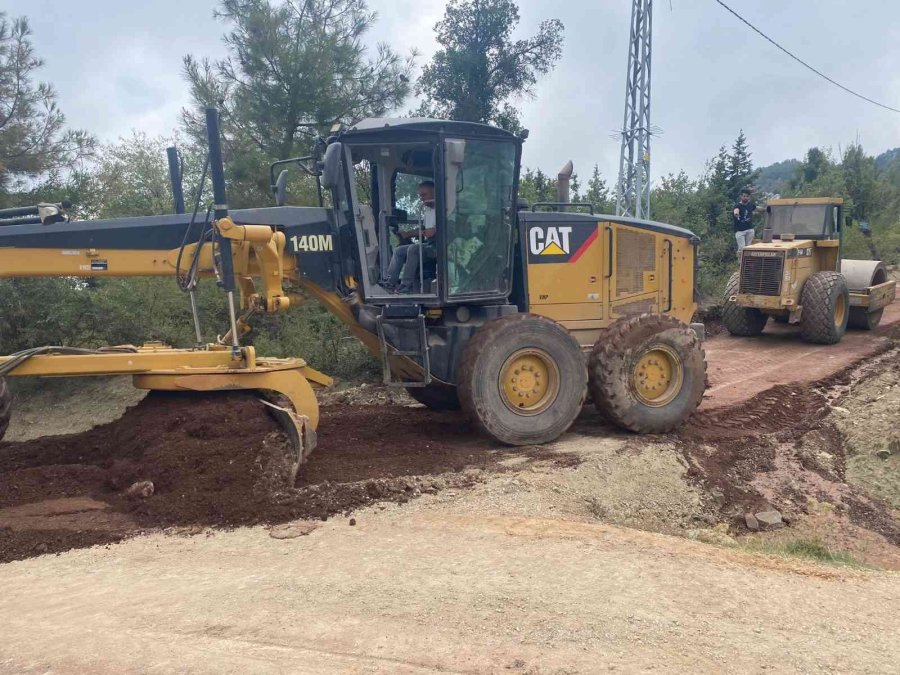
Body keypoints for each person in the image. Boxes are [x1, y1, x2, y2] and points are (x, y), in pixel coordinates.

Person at [384, 180, 437, 293]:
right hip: (429, 244)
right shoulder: (428, 211)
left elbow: (432, 233)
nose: (421, 198)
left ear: (435, 192)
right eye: (420, 196)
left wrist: (427, 232)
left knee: (414, 249)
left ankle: (405, 286)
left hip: (439, 246)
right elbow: (424, 229)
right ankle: (389, 283)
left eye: (424, 195)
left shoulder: (443, 210)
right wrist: (407, 234)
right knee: (399, 250)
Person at [733, 188, 763, 253]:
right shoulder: (738, 205)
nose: (745, 198)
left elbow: (758, 208)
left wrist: (766, 209)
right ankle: (740, 262)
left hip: (749, 230)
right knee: (741, 248)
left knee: (748, 248)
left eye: (747, 196)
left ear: (749, 197)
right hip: (740, 231)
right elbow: (736, 211)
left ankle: (747, 262)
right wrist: (736, 214)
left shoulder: (750, 205)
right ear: (741, 196)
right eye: (744, 196)